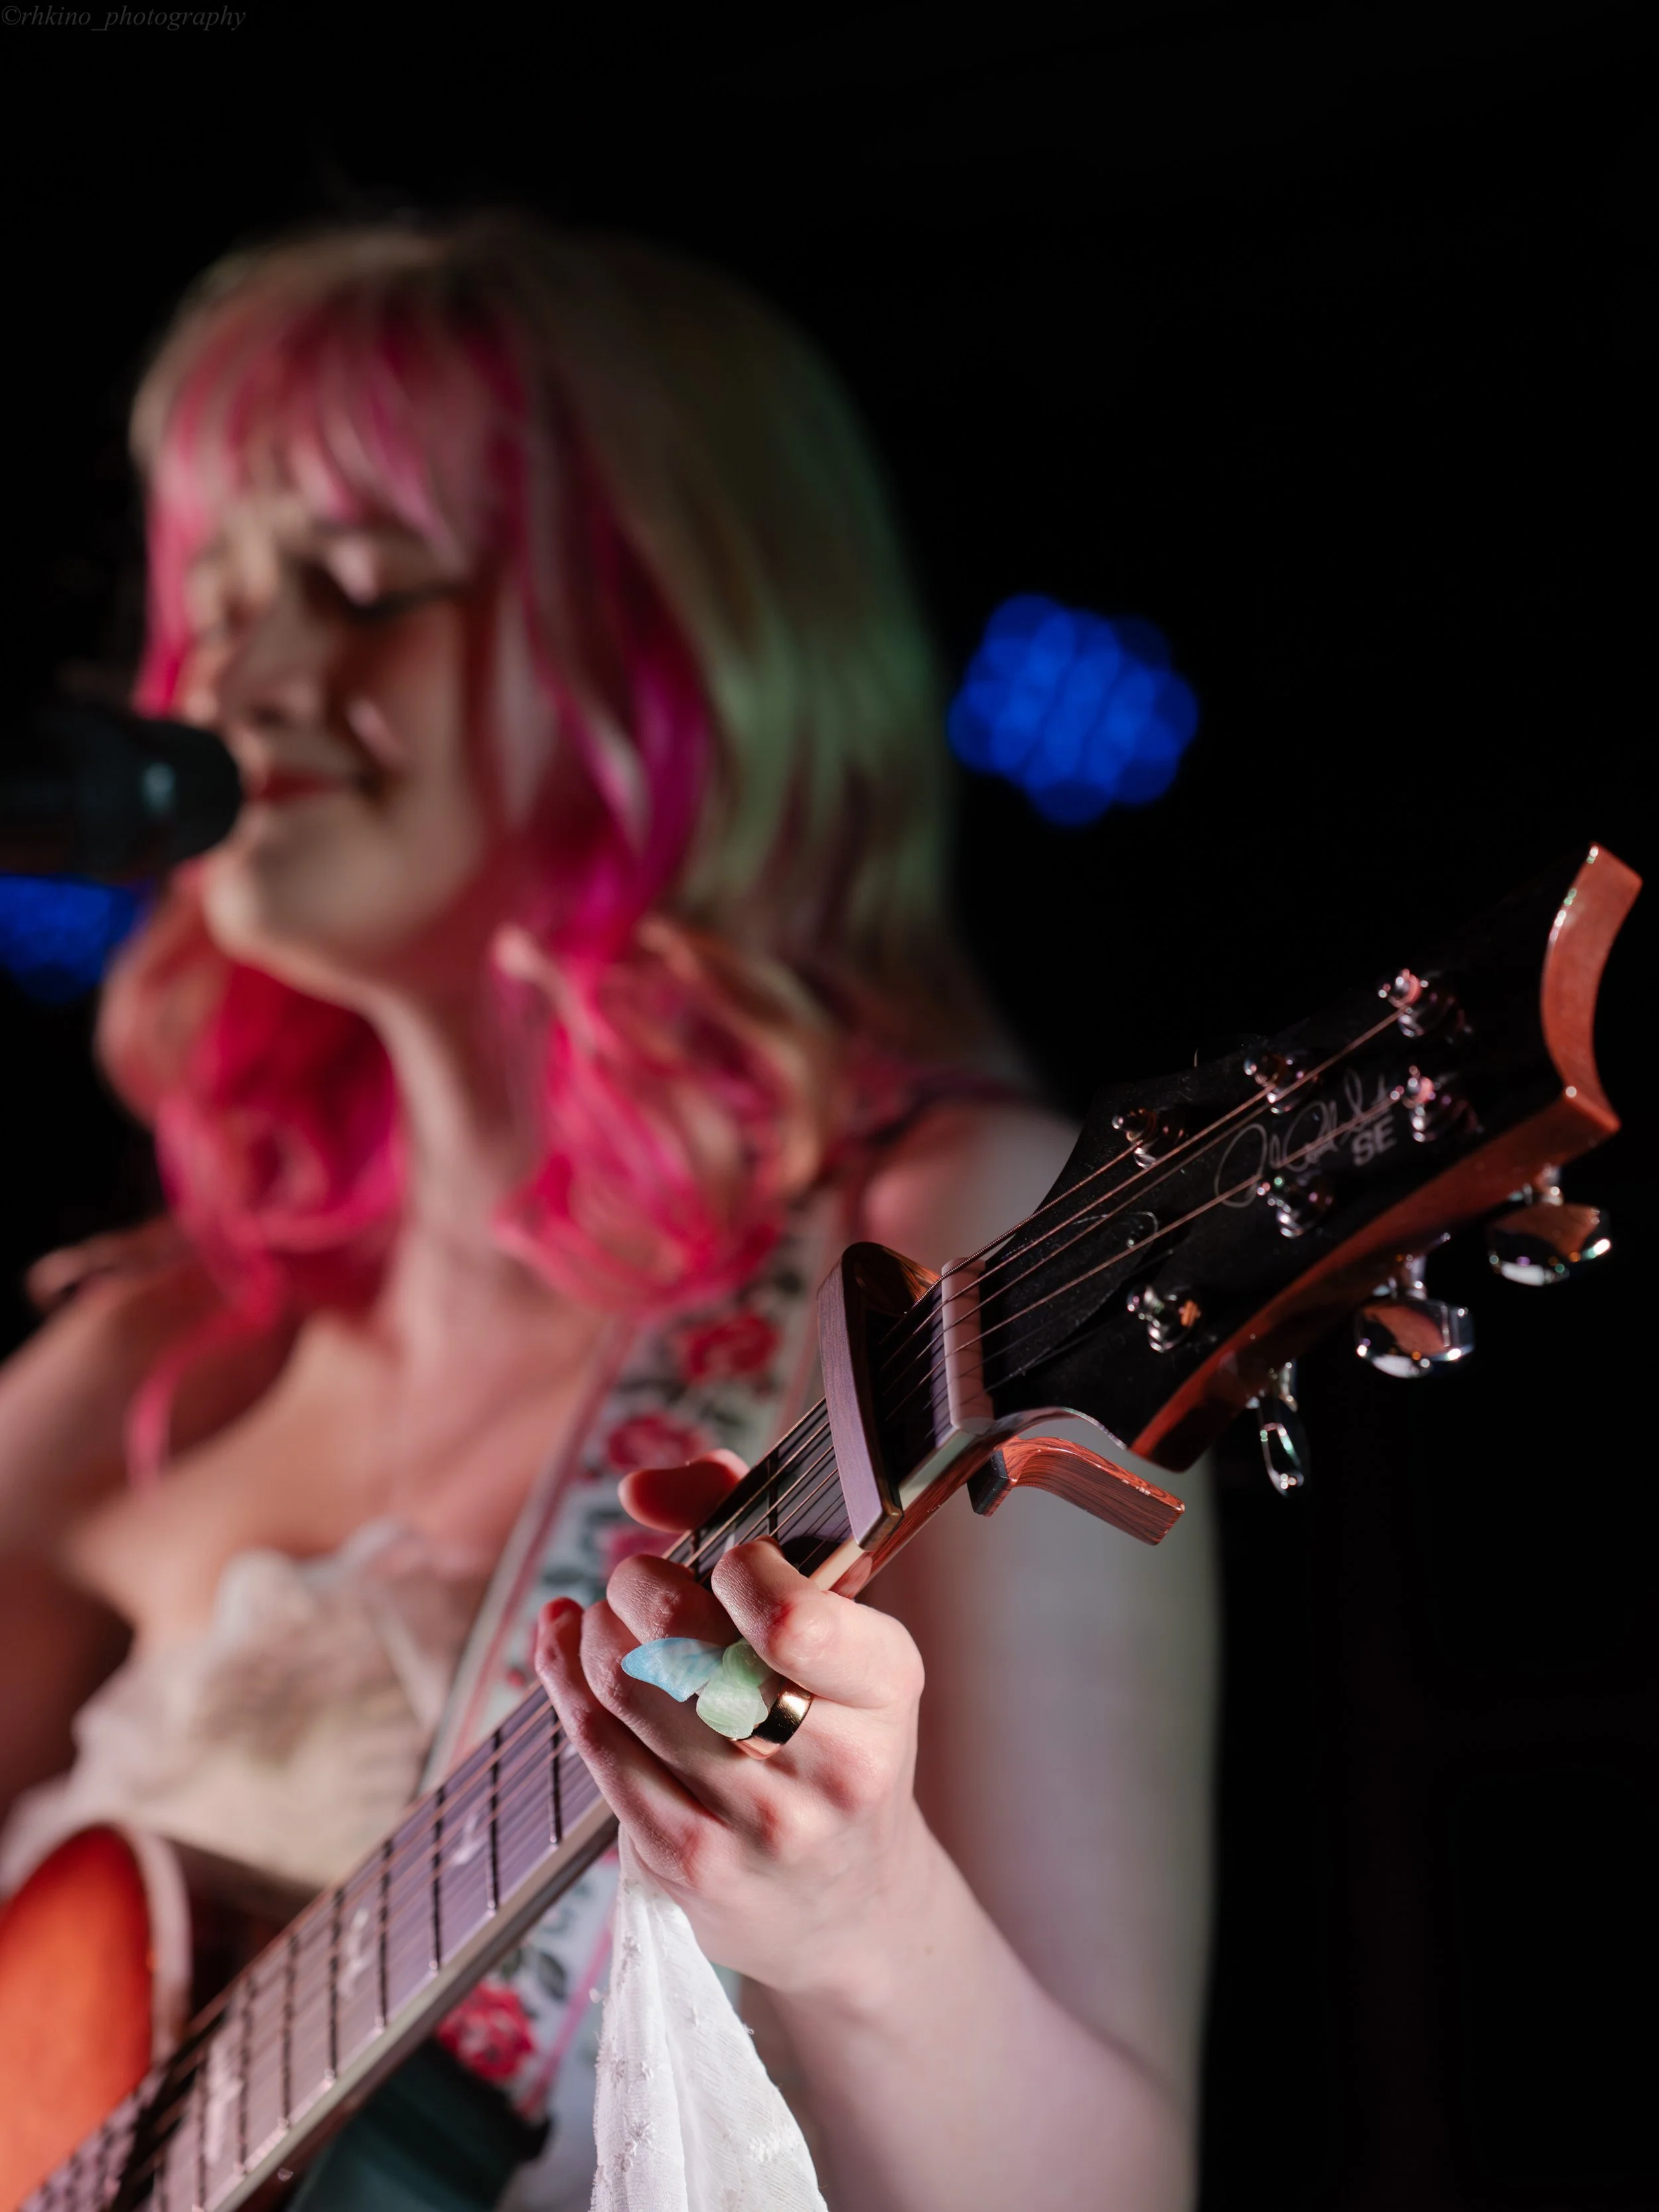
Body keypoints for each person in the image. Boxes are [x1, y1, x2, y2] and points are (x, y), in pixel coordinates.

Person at [0, 214, 1216, 2211]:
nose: (239, 664)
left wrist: (857, 1921)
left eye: (360, 580)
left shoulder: (931, 1247)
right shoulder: (158, 1349)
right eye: (210, 593)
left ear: (669, 641)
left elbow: (1111, 2183)